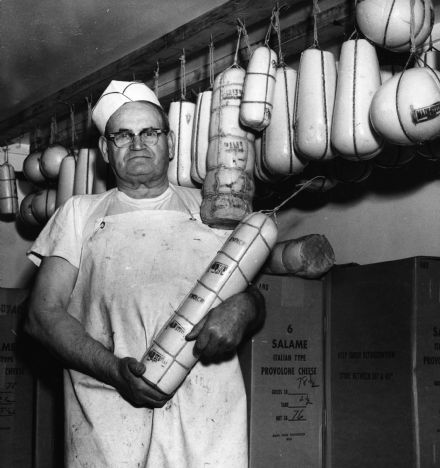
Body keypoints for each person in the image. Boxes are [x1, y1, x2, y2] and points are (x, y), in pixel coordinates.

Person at [24, 80, 264, 467]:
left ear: (169, 142)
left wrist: (246, 307)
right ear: (105, 149)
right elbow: (41, 316)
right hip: (109, 415)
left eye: (150, 132)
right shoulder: (79, 214)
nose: (138, 144)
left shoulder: (213, 208)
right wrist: (115, 372)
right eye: (123, 135)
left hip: (205, 417)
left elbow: (252, 293)